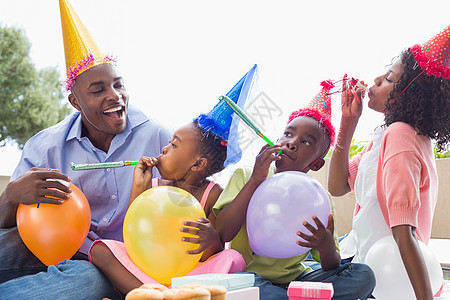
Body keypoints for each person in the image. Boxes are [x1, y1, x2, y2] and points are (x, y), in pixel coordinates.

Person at [0, 0, 171, 298]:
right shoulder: (44, 147)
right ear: (75, 102)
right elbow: (8, 225)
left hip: (113, 267)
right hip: (51, 251)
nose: (114, 96)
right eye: (98, 90)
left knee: (89, 279)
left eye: (118, 85)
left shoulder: (158, 137)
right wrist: (11, 195)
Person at [90, 65, 259, 295]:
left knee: (231, 258)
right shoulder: (154, 187)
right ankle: (155, 294)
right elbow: (131, 238)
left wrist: (211, 241)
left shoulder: (212, 193)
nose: (164, 148)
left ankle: (156, 294)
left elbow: (213, 252)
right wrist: (138, 188)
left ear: (198, 164)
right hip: (148, 271)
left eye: (174, 145)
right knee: (101, 251)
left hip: (191, 274)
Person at [213, 81, 376, 300]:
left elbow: (330, 264)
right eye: (288, 134)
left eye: (306, 142)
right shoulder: (245, 176)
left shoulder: (320, 198)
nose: (292, 143)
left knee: (363, 275)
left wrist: (326, 247)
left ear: (317, 164)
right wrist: (255, 181)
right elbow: (222, 233)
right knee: (250, 290)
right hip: (251, 278)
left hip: (299, 280)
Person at [328, 24, 450, 300]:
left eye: (389, 78)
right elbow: (336, 186)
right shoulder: (386, 137)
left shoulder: (400, 137)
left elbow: (403, 230)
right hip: (364, 257)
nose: (377, 78)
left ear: (407, 95)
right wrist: (348, 123)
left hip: (380, 273)